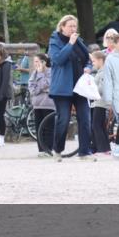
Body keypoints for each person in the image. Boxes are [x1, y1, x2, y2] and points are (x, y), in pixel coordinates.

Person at [48, 15, 94, 161]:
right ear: (62, 27)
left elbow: (88, 59)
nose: (73, 29)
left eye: (75, 26)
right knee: (63, 119)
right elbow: (58, 59)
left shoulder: (79, 42)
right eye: (70, 26)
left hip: (80, 87)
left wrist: (87, 68)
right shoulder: (55, 41)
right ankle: (57, 150)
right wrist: (70, 44)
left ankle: (84, 152)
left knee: (85, 118)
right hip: (62, 88)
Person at [28, 54, 55, 157]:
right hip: (37, 104)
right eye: (35, 62)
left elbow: (48, 84)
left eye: (37, 61)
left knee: (48, 127)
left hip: (48, 104)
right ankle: (41, 150)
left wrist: (40, 77)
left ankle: (48, 149)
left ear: (44, 62)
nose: (36, 64)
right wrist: (41, 88)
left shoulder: (50, 72)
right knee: (39, 127)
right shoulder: (34, 73)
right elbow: (32, 89)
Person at [88, 51, 112, 154]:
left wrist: (90, 89)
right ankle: (104, 148)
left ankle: (102, 148)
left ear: (100, 60)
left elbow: (102, 89)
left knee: (97, 125)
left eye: (94, 61)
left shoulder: (103, 72)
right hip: (99, 102)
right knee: (100, 125)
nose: (92, 63)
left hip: (100, 103)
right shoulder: (101, 72)